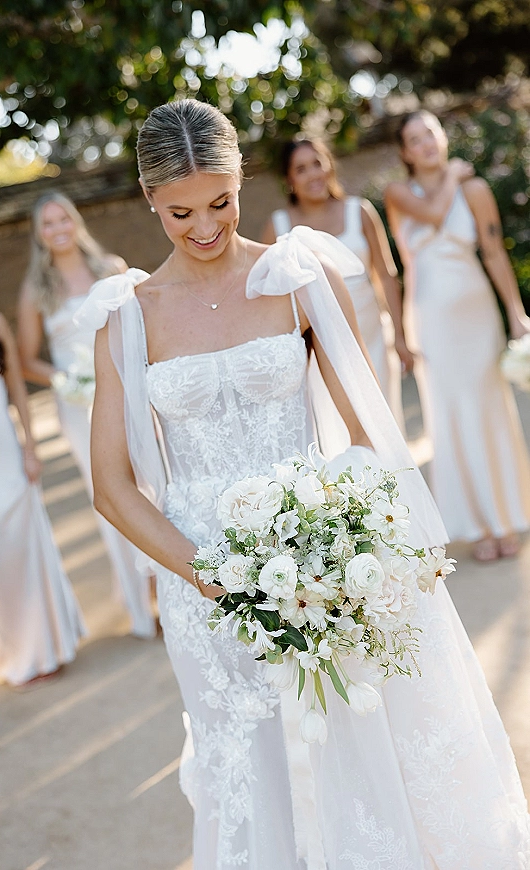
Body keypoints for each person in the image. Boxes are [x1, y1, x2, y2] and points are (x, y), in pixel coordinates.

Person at [78, 100, 529, 869]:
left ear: (243, 181)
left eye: (221, 202)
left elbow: (366, 432)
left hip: (316, 566)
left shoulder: (295, 277)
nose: (205, 227)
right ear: (150, 199)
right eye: (180, 212)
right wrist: (213, 577)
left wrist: (337, 540)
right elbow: (112, 488)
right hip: (205, 585)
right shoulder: (128, 315)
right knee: (252, 762)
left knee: (354, 740)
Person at [385, 110, 530, 561]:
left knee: (488, 409)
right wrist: (451, 175)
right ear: (406, 152)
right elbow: (431, 214)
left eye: (430, 131)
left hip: (476, 316)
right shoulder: (398, 193)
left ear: (442, 135)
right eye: (415, 137)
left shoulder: (476, 189)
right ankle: (474, 526)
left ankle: (505, 517)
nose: (426, 141)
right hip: (430, 320)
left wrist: (516, 312)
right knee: (448, 415)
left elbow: (493, 252)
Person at [18, 193, 156, 637]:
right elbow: (25, 361)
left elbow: (140, 328)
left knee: (151, 485)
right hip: (78, 407)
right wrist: (66, 379)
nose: (57, 228)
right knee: (111, 497)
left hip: (127, 394)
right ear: (39, 234)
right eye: (47, 223)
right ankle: (139, 608)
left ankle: (164, 584)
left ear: (75, 221)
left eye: (63, 218)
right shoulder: (35, 291)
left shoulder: (110, 268)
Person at [0, 244, 84, 688]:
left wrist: (30, 445)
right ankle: (16, 651)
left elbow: (17, 390)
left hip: (4, 451)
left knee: (26, 543)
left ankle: (49, 646)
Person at [262, 138, 412, 426]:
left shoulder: (360, 211)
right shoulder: (278, 226)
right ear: (289, 179)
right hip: (321, 348)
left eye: (317, 163)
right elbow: (269, 295)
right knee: (337, 429)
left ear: (329, 165)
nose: (313, 174)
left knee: (383, 423)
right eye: (301, 169)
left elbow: (386, 276)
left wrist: (400, 337)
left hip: (373, 338)